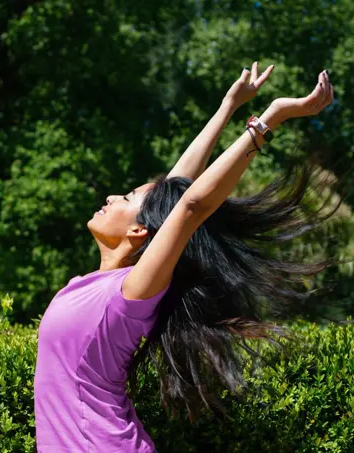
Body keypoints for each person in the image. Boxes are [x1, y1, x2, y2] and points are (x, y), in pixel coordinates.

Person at [34, 62, 336, 452]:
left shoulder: (128, 296)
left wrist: (269, 119)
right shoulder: (88, 285)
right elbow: (176, 192)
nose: (110, 197)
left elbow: (190, 206)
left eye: (125, 198)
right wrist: (228, 106)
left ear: (139, 231)